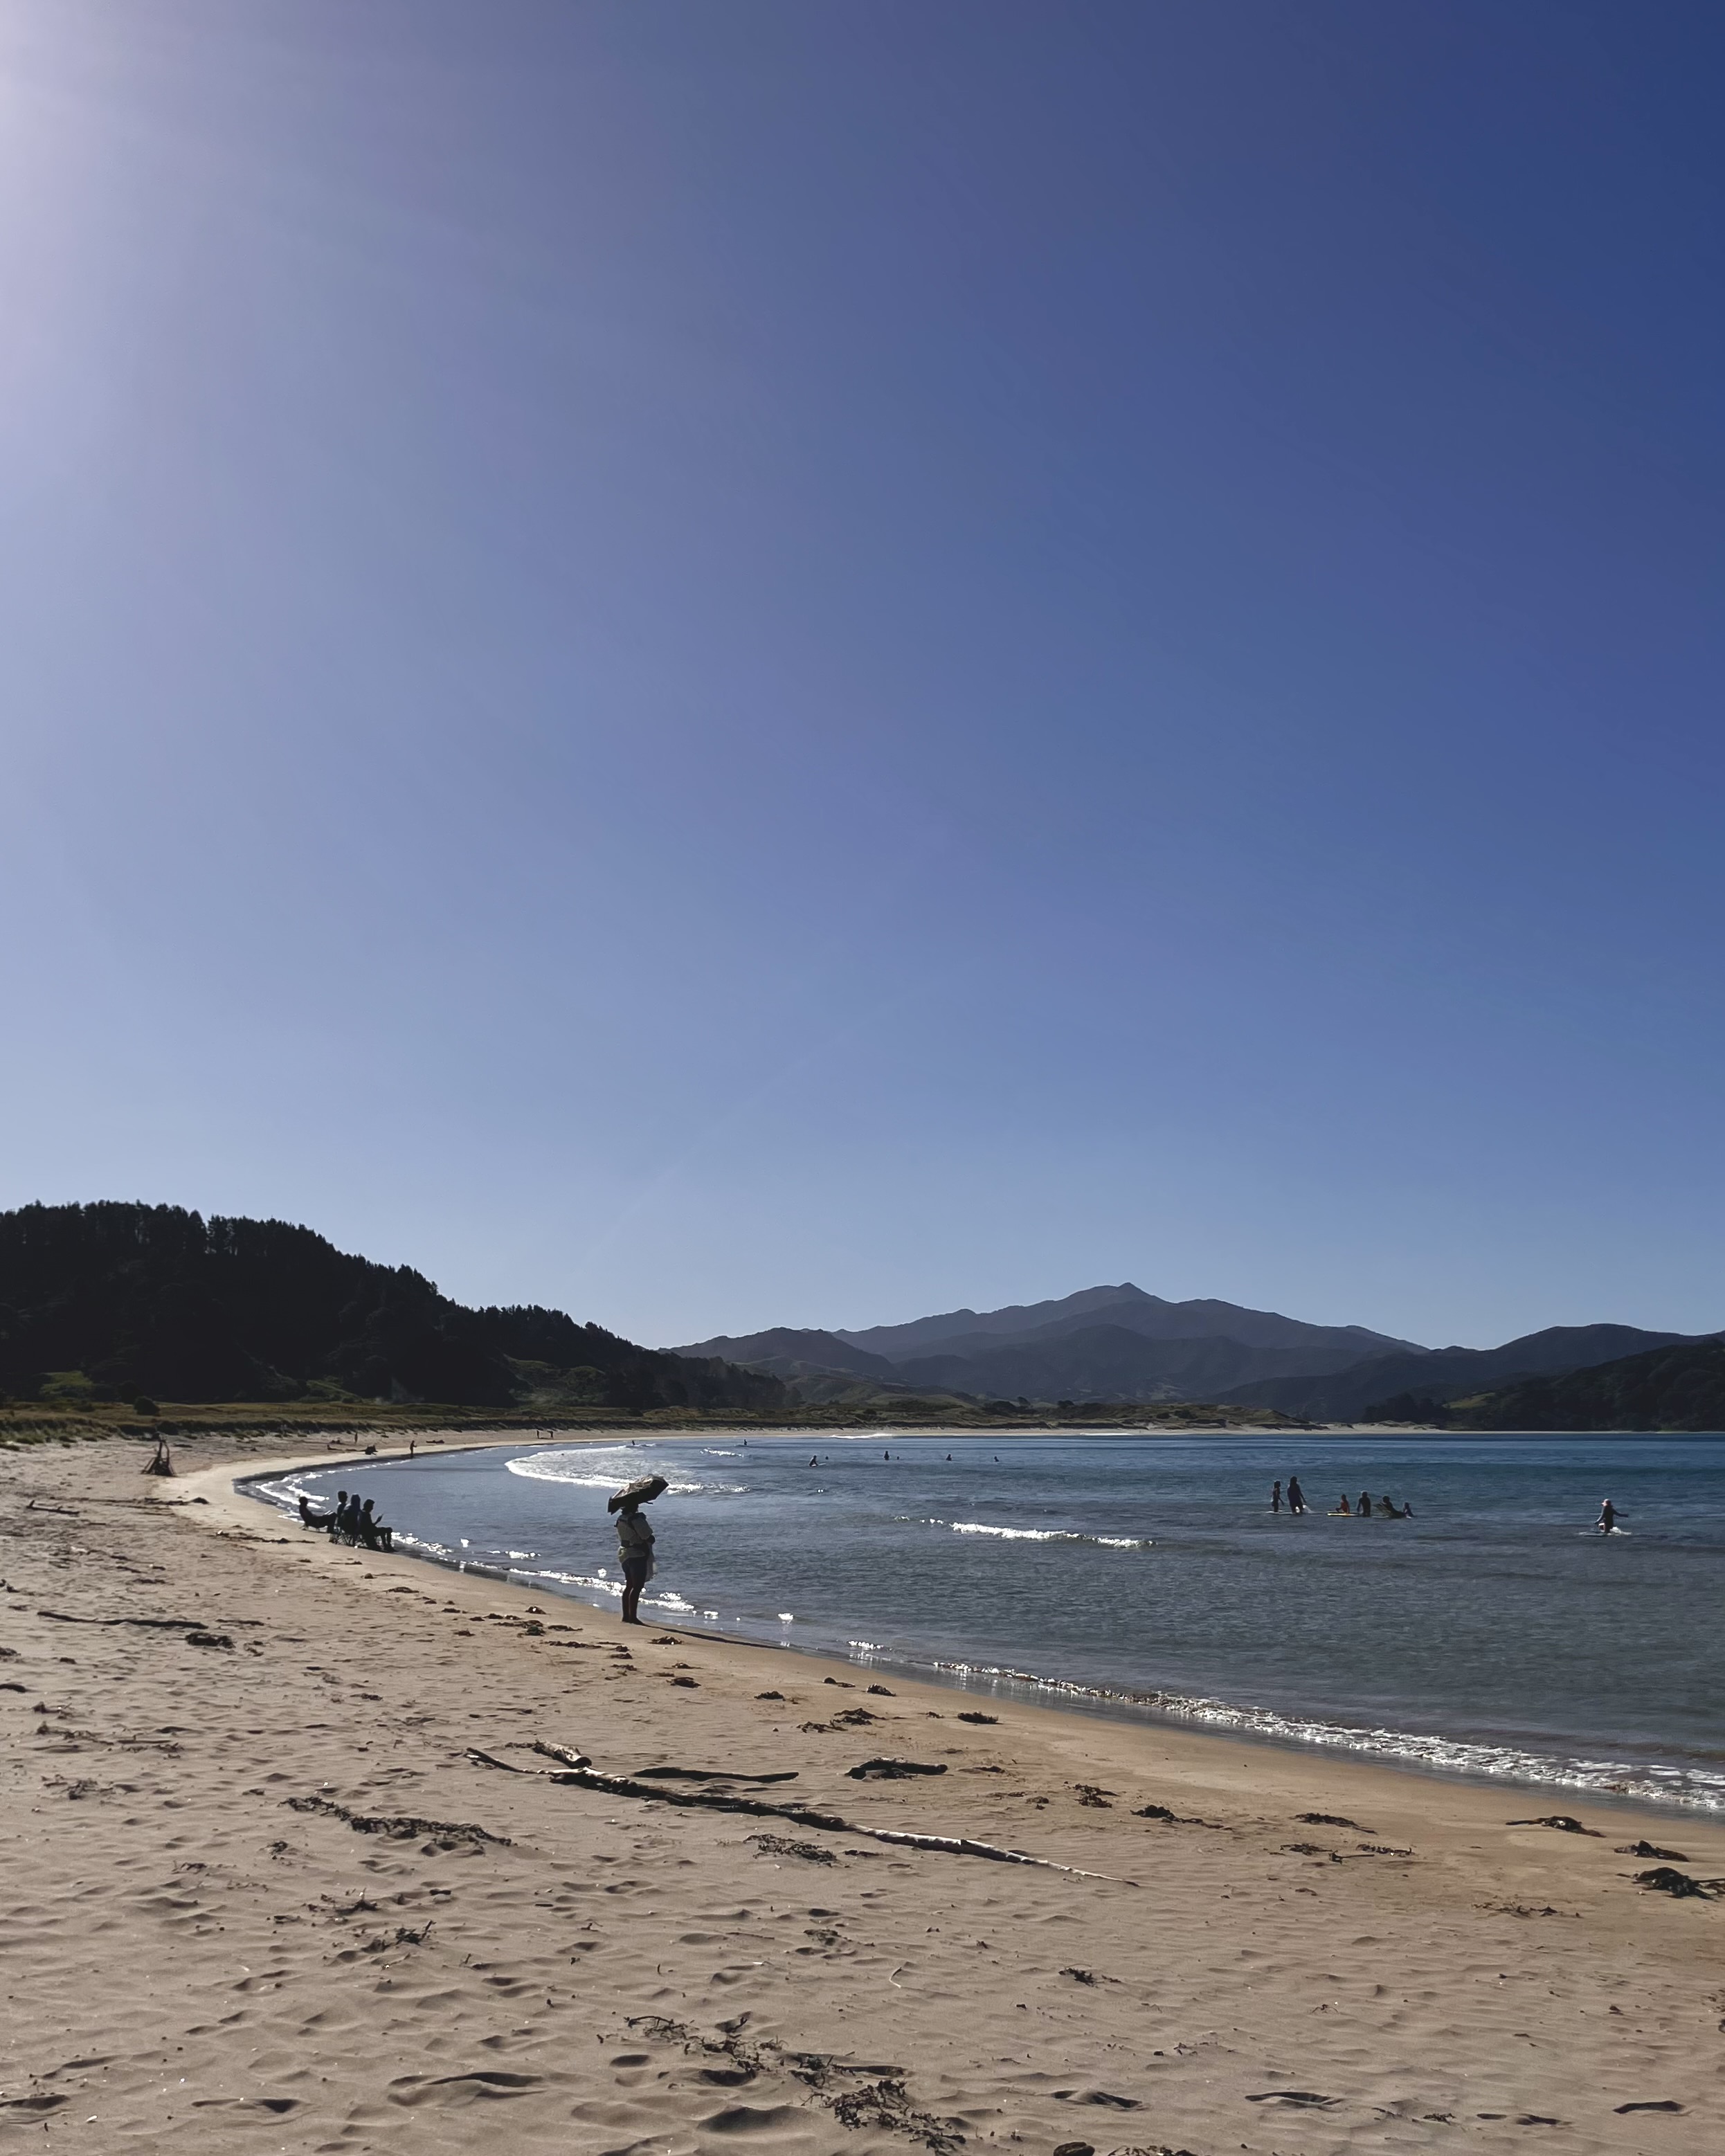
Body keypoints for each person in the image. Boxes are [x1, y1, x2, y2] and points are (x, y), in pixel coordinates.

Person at [614, 1493, 656, 1624]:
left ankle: (626, 1616)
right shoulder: (636, 1520)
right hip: (637, 1554)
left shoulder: (621, 1519)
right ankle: (633, 1617)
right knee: (637, 1587)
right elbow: (647, 1537)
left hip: (624, 1554)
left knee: (629, 1586)